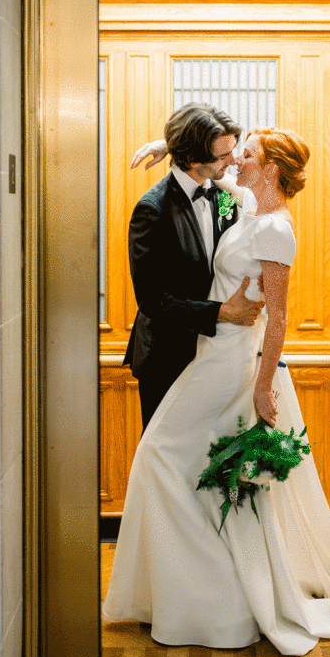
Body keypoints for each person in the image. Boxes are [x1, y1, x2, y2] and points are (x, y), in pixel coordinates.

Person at [103, 125, 330, 656]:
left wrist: (264, 387)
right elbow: (214, 176)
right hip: (213, 353)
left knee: (163, 455)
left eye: (245, 155)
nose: (234, 163)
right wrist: (170, 150)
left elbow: (279, 318)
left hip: (238, 366)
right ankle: (199, 588)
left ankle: (222, 596)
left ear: (270, 167)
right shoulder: (250, 200)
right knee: (183, 465)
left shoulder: (276, 230)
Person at [123, 104, 265, 429]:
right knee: (167, 465)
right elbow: (152, 299)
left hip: (214, 356)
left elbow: (248, 208)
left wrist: (168, 144)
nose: (232, 162)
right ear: (194, 161)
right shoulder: (152, 210)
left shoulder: (222, 193)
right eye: (223, 156)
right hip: (168, 359)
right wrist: (222, 312)